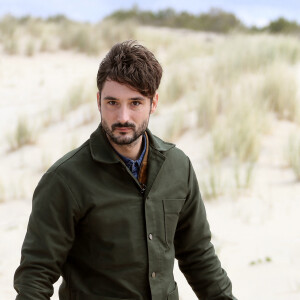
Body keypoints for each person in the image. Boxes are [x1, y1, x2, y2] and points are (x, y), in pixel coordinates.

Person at [14, 40, 236, 300]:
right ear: (98, 101)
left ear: (153, 103)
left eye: (135, 103)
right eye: (112, 102)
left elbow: (198, 255)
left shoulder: (178, 166)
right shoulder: (64, 180)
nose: (122, 117)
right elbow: (35, 275)